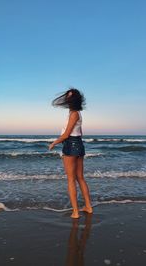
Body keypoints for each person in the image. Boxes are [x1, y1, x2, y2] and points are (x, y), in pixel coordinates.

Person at [49, 88, 93, 218]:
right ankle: (88, 207)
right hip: (78, 144)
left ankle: (75, 212)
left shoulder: (74, 114)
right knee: (80, 178)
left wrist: (54, 143)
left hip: (71, 144)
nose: (67, 99)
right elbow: (80, 133)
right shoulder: (77, 113)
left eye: (69, 97)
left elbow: (67, 134)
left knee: (71, 179)